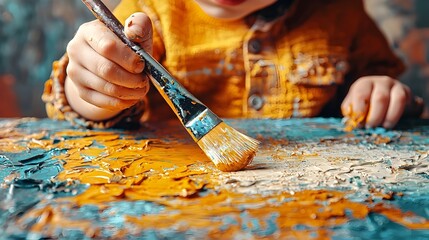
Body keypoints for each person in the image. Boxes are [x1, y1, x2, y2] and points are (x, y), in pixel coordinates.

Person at [42, 0, 425, 130]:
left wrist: (375, 90)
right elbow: (83, 101)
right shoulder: (149, 13)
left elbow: (373, 76)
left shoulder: (341, 12)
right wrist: (91, 91)